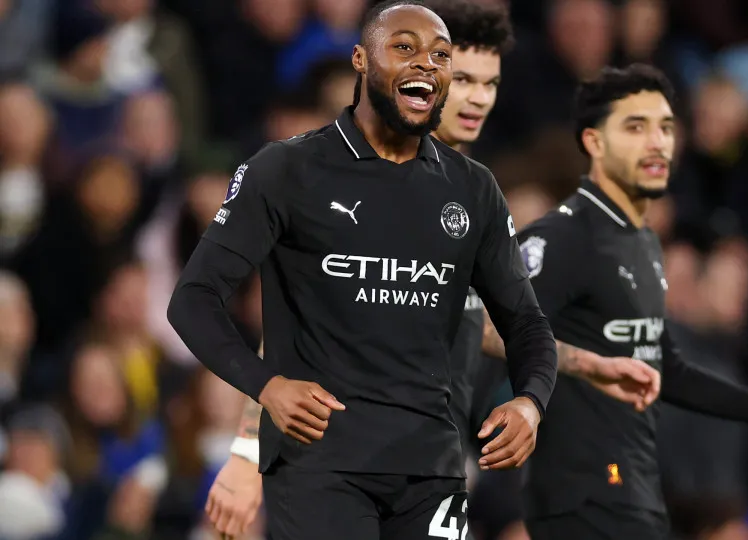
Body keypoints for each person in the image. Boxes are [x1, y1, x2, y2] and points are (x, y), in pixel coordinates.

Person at [200, 2, 659, 536]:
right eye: (464, 79)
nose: (479, 97)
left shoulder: (468, 186)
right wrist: (247, 451)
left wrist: (582, 363)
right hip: (336, 465)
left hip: (431, 461)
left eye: (490, 83)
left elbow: (465, 314)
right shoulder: (359, 176)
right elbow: (298, 323)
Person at [480, 64, 748, 540]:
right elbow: (489, 332)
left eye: (664, 127)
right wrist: (584, 367)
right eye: (636, 127)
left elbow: (671, 372)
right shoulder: (555, 240)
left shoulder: (639, 249)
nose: (657, 142)